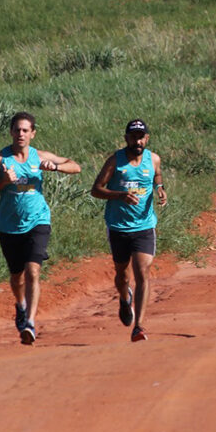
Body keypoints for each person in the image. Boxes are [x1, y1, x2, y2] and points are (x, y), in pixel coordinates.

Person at [0, 111, 81, 345]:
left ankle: (30, 322)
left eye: (25, 130)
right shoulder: (1, 159)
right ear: (11, 132)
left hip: (38, 221)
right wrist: (3, 182)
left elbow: (75, 166)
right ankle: (20, 305)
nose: (21, 134)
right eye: (17, 130)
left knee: (33, 271)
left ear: (33, 134)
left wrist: (55, 168)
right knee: (16, 277)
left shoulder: (40, 157)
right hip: (9, 226)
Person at [90, 119, 167, 342]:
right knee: (122, 275)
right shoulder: (116, 161)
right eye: (134, 137)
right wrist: (119, 195)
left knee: (143, 273)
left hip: (144, 226)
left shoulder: (153, 159)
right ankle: (125, 298)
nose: (138, 141)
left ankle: (139, 326)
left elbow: (157, 176)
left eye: (141, 137)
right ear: (126, 138)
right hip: (118, 226)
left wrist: (160, 188)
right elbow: (96, 189)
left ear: (147, 138)